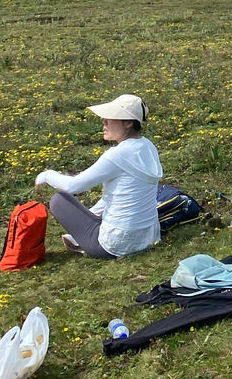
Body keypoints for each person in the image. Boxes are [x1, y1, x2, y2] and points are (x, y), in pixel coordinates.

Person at [34, 94, 163, 259]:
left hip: (115, 245)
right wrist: (90, 214)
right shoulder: (148, 146)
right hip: (149, 238)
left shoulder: (118, 155)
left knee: (59, 200)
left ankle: (81, 238)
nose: (104, 122)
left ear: (129, 122)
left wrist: (47, 175)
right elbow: (116, 194)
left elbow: (73, 186)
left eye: (111, 118)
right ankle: (80, 236)